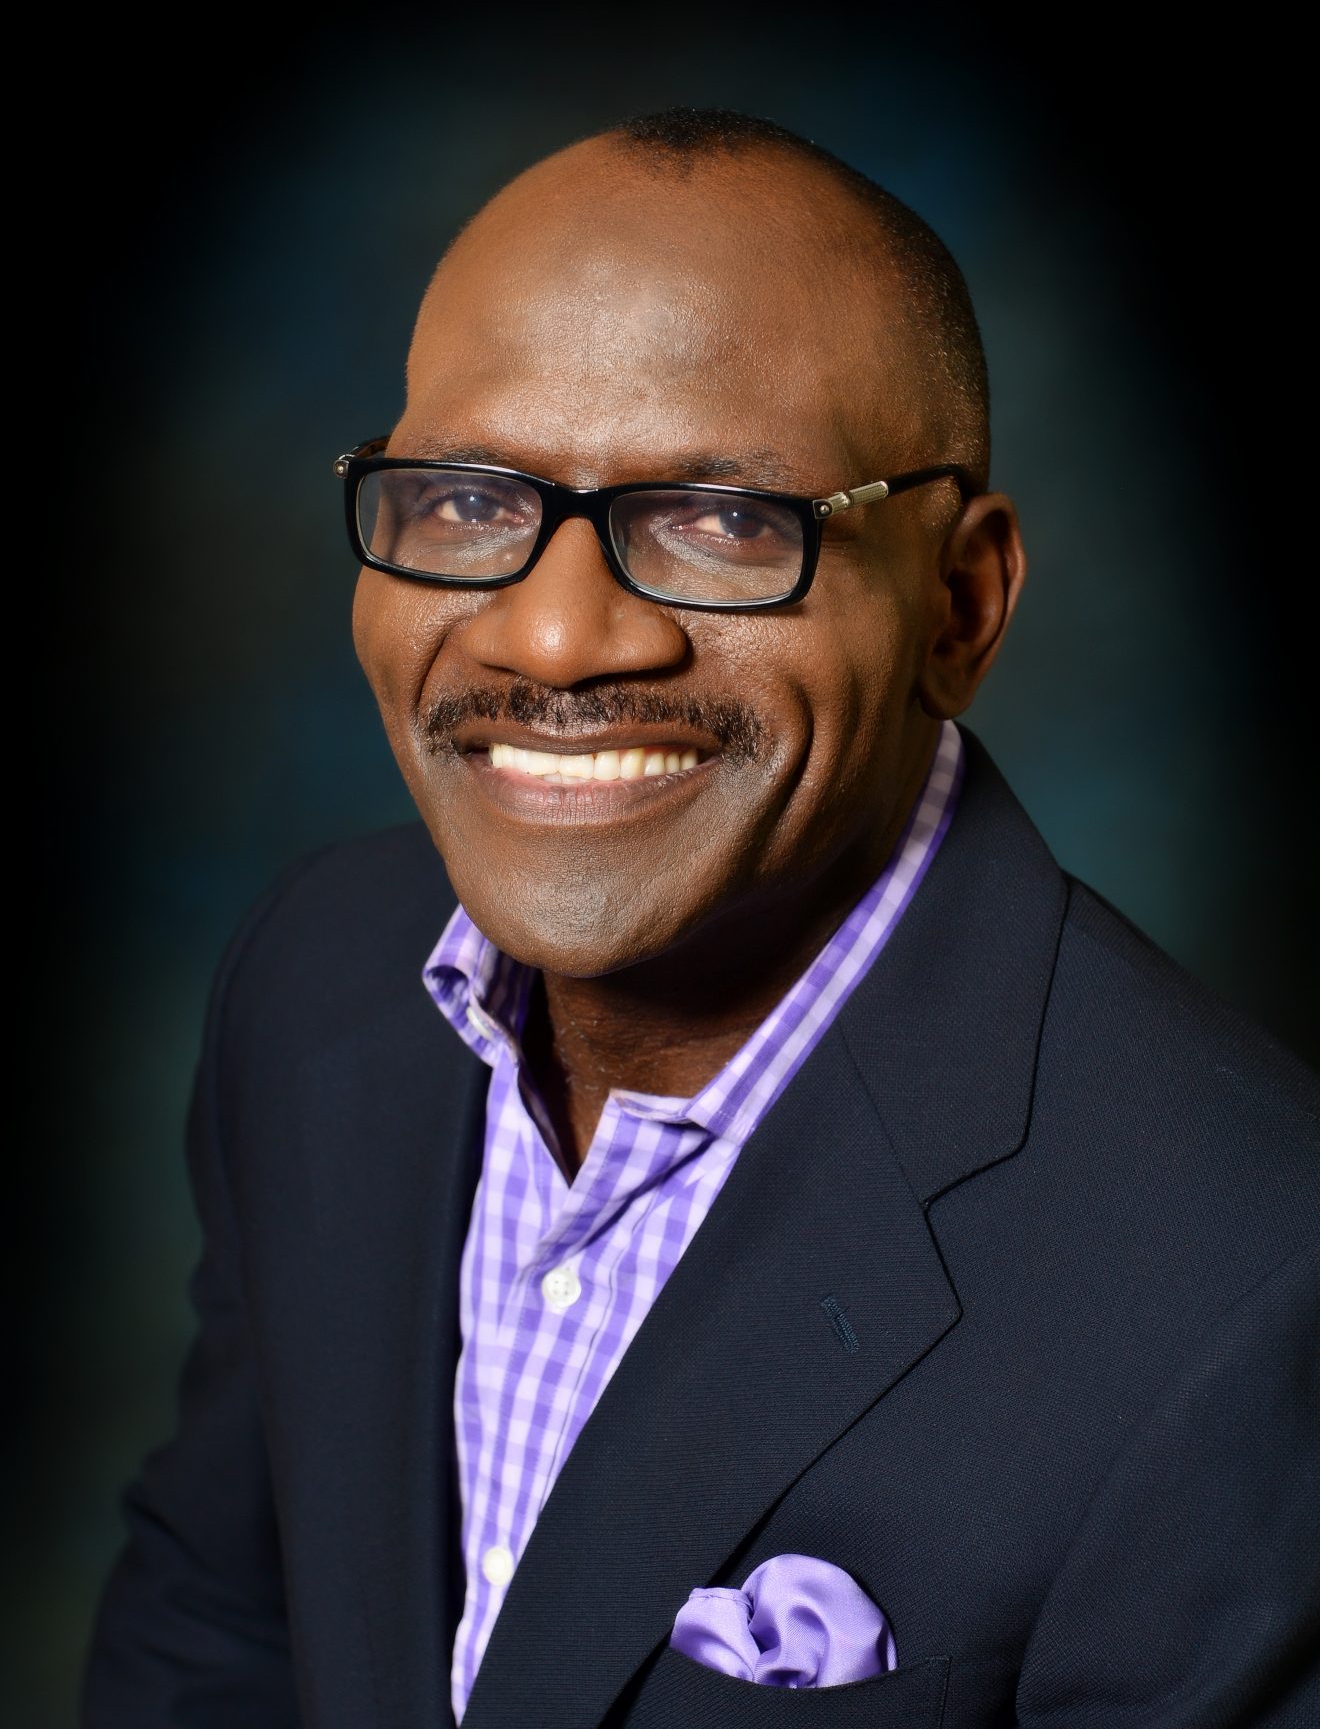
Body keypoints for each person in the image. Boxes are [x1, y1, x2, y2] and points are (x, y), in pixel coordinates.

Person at [83, 109, 1319, 1728]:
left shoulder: (1248, 1286)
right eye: (465, 501)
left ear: (961, 606)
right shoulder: (314, 985)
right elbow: (215, 1636)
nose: (554, 637)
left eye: (727, 521)